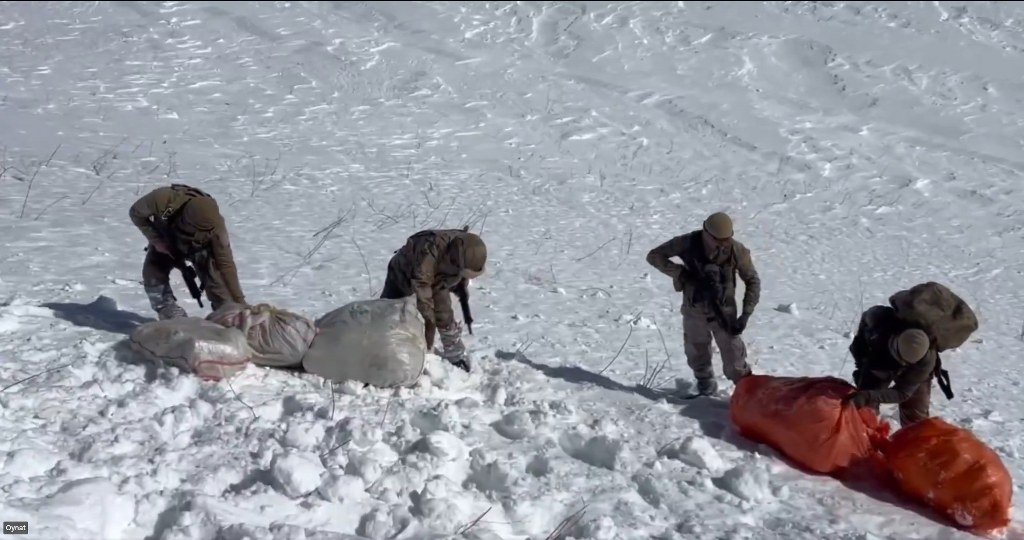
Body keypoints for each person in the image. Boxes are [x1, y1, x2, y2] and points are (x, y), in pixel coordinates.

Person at [646, 212, 761, 396]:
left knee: (735, 359)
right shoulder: (687, 243)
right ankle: (705, 389)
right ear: (707, 233)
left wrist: (746, 314)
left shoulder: (736, 250)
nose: (723, 244)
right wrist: (681, 274)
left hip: (724, 312)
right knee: (697, 351)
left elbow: (752, 280)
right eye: (718, 240)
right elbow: (654, 256)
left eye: (727, 239)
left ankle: (748, 393)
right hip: (694, 308)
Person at [129, 184, 247, 319]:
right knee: (153, 271)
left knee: (216, 277)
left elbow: (226, 265)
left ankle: (227, 314)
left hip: (199, 249)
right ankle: (168, 310)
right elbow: (135, 213)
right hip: (167, 240)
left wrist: (240, 301)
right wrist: (157, 241)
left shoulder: (217, 230)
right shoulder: (163, 199)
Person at [380, 228, 486, 372]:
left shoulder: (467, 247)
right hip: (403, 272)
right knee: (388, 313)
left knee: (444, 313)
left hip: (438, 276)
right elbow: (422, 289)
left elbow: (456, 275)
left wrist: (459, 286)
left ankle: (455, 354)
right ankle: (382, 349)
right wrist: (429, 329)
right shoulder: (429, 252)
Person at [845, 304, 937, 427]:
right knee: (865, 407)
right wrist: (861, 366)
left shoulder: (926, 362)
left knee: (916, 417)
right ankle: (866, 432)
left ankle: (915, 437)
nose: (902, 363)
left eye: (905, 362)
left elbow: (902, 393)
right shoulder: (881, 321)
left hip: (914, 371)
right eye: (900, 358)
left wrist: (868, 395)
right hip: (881, 358)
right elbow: (860, 336)